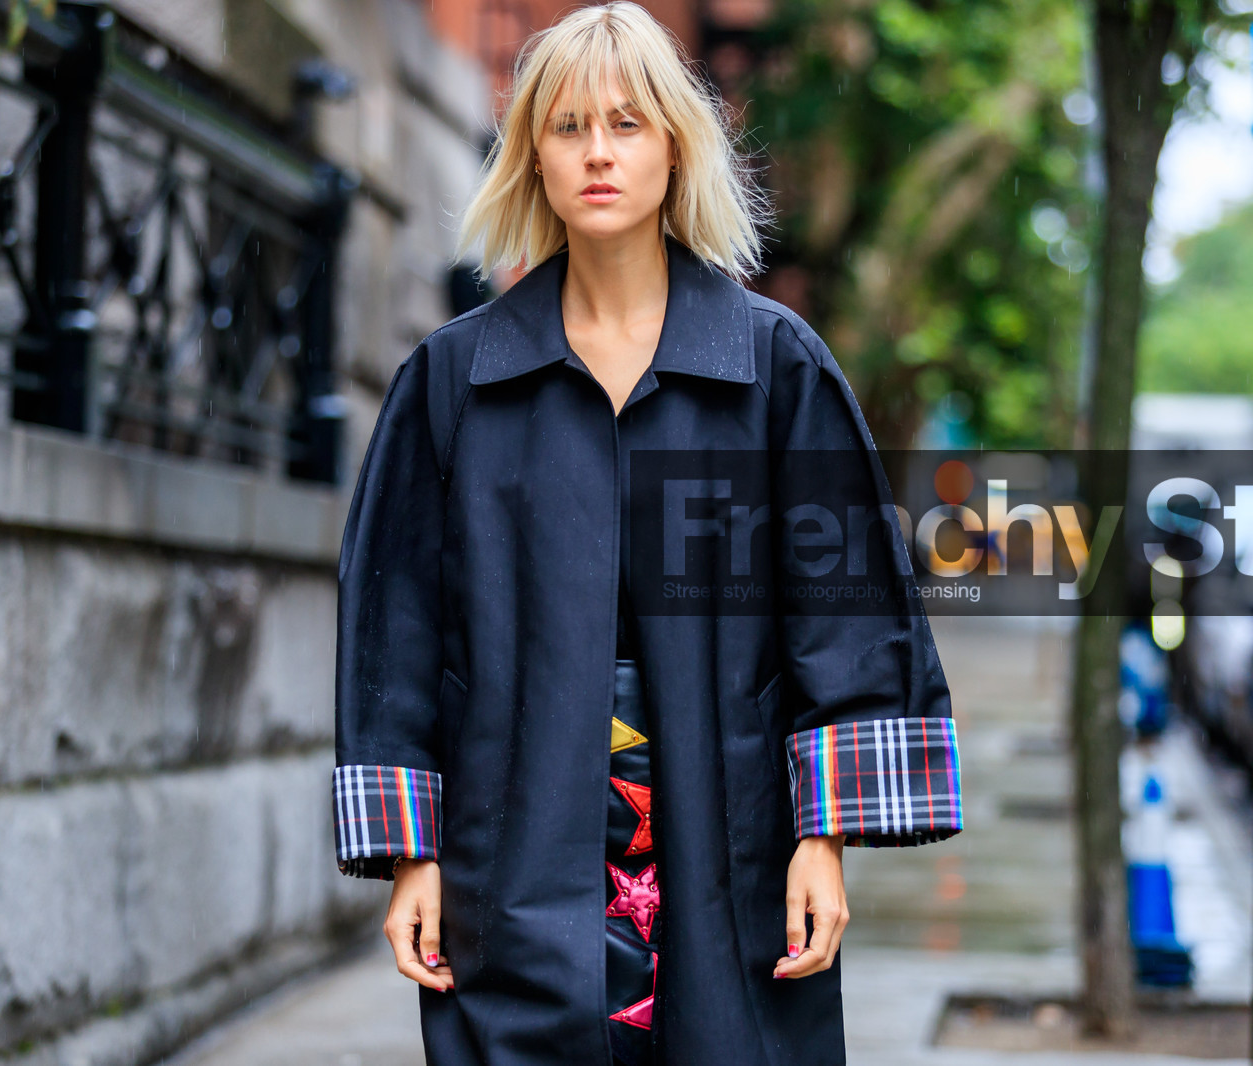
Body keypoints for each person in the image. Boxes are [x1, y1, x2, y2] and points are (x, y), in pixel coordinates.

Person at [330, 5, 963, 1065]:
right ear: (533, 153)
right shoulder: (455, 380)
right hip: (513, 836)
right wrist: (411, 858)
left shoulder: (774, 367)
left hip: (731, 836)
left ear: (675, 144)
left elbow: (840, 612)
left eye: (626, 124)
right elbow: (395, 627)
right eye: (569, 126)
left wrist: (825, 839)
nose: (598, 153)